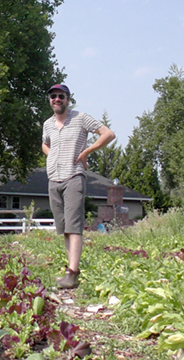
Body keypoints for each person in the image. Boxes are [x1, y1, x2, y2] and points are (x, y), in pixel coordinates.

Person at [42, 84, 115, 289]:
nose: (57, 99)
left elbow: (108, 134)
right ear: (50, 100)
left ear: (68, 99)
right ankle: (70, 270)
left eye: (61, 96)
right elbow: (44, 144)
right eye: (53, 96)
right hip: (53, 178)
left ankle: (73, 273)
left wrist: (87, 152)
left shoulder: (81, 118)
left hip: (73, 176)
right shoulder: (48, 124)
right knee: (64, 228)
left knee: (74, 226)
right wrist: (53, 156)